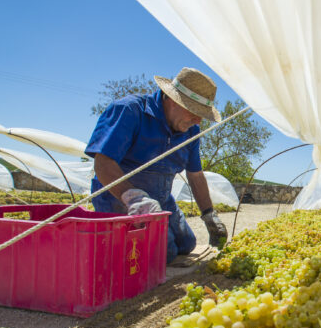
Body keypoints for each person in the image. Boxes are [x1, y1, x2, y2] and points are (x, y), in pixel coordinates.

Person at [86, 67, 229, 263]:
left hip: (161, 199)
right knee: (165, 253)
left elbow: (195, 175)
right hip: (119, 200)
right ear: (171, 99)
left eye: (201, 115)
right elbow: (103, 163)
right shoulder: (130, 110)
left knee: (187, 244)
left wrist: (209, 215)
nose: (198, 120)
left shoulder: (191, 131)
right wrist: (134, 198)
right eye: (193, 111)